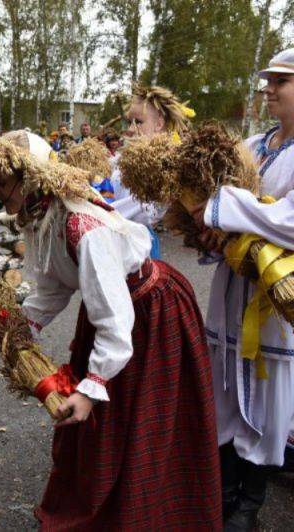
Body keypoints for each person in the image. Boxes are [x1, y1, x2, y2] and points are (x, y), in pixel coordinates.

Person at [0, 130, 221, 530]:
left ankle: (146, 513)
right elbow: (56, 282)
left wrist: (92, 388)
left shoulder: (83, 228)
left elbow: (115, 320)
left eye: (2, 182)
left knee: (140, 421)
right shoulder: (46, 213)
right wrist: (21, 326)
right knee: (106, 429)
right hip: (115, 314)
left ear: (30, 177)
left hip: (149, 315)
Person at [193, 48, 294, 532]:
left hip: (274, 301)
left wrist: (225, 206)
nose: (269, 88)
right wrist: (212, 230)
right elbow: (236, 214)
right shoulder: (253, 144)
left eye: (282, 80)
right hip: (230, 290)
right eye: (268, 80)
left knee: (267, 400)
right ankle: (226, 491)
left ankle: (249, 506)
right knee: (225, 391)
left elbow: (289, 221)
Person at [111, 84, 190, 260]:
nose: (131, 129)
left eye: (138, 122)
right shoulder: (117, 160)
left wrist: (100, 212)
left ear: (159, 124)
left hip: (141, 252)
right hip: (112, 246)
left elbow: (146, 214)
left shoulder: (168, 166)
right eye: (128, 122)